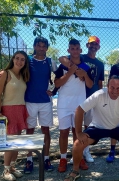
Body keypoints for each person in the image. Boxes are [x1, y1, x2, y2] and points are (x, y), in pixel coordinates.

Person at [64, 75, 119, 181]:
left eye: (118, 88)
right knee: (77, 144)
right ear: (107, 86)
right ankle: (75, 170)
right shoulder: (99, 95)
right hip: (97, 127)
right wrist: (79, 132)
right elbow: (79, 110)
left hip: (117, 127)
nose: (115, 91)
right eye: (112, 87)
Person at [59, 36, 104, 163]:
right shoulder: (80, 57)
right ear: (86, 45)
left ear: (99, 47)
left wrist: (100, 98)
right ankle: (73, 155)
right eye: (91, 44)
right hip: (79, 99)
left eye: (96, 44)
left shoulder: (100, 64)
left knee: (88, 127)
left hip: (92, 98)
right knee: (75, 129)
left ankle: (86, 151)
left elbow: (99, 83)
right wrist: (74, 68)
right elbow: (61, 58)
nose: (93, 46)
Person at [55, 39, 93, 173]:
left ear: (81, 50)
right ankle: (63, 159)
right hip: (64, 104)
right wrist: (70, 72)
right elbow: (57, 84)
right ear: (68, 50)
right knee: (63, 132)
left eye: (77, 48)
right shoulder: (62, 66)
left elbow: (89, 85)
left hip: (79, 105)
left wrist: (85, 75)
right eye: (72, 48)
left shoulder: (86, 67)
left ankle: (79, 157)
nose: (75, 50)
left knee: (77, 133)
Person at [0, 51, 30, 181]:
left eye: (22, 59)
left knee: (16, 142)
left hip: (20, 110)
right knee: (9, 143)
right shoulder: (5, 73)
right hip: (8, 111)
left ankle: (12, 167)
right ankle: (5, 170)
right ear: (13, 59)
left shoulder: (22, 75)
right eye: (17, 58)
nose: (19, 61)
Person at [24, 37, 57, 173]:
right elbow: (15, 71)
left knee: (45, 131)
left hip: (45, 102)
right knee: (30, 131)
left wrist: (54, 90)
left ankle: (46, 158)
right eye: (39, 46)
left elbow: (60, 76)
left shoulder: (50, 62)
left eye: (44, 46)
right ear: (34, 46)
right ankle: (29, 160)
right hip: (29, 101)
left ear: (47, 48)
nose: (41, 48)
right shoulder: (27, 61)